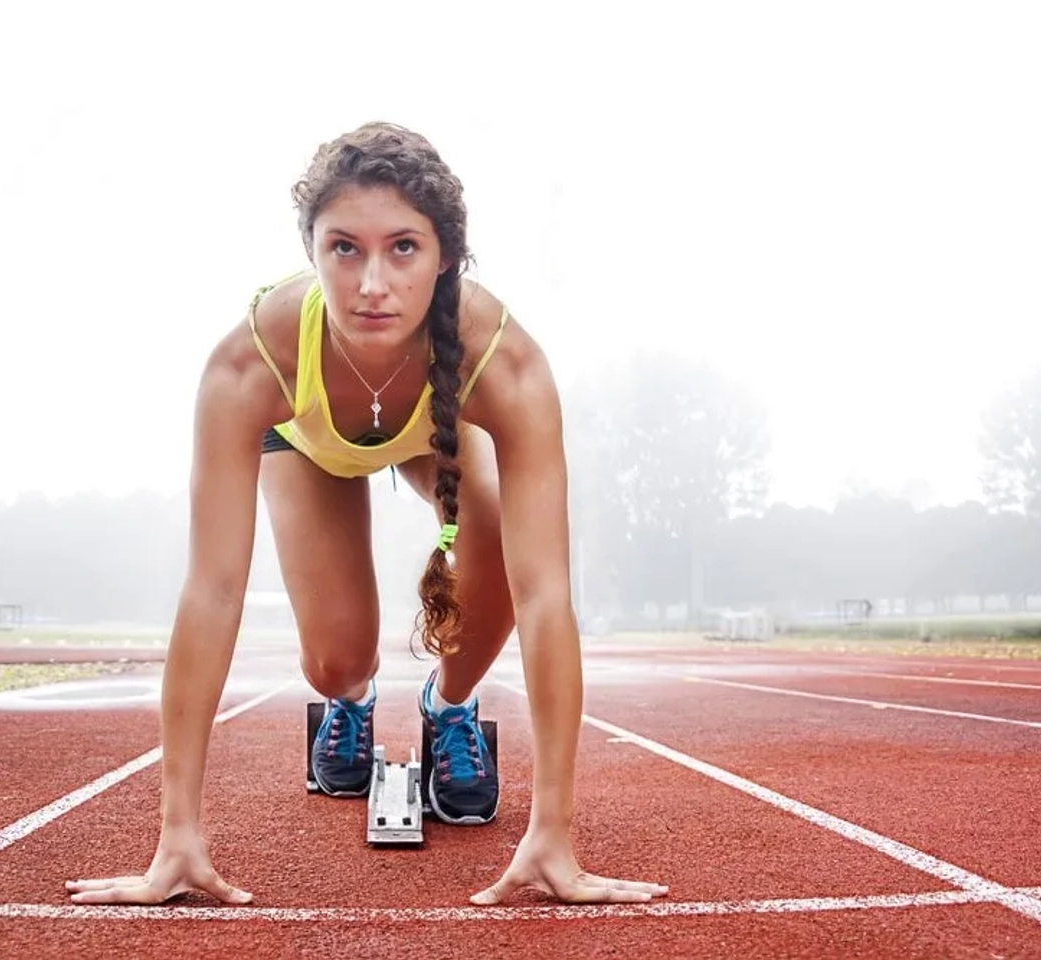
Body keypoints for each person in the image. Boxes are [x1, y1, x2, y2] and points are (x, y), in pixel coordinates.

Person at [65, 121, 669, 908]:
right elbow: (211, 591)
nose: (371, 284)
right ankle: (349, 704)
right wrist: (176, 835)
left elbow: (546, 593)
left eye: (403, 248)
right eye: (344, 248)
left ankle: (449, 706)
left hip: (435, 427)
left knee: (495, 526)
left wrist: (554, 830)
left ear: (444, 255)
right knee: (336, 659)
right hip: (308, 443)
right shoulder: (251, 363)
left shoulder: (503, 360)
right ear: (311, 249)